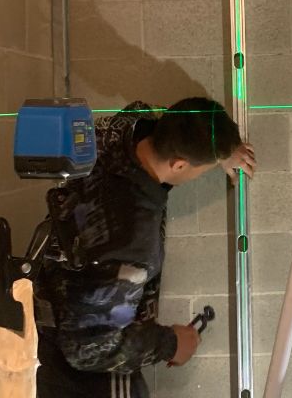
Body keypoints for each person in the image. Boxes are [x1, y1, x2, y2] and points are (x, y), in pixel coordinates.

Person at [35, 97, 256, 398]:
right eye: (203, 169)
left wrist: (223, 150)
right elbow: (88, 349)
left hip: (57, 289)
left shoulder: (123, 128)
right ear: (179, 164)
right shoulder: (131, 240)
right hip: (74, 368)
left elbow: (170, 117)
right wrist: (172, 344)